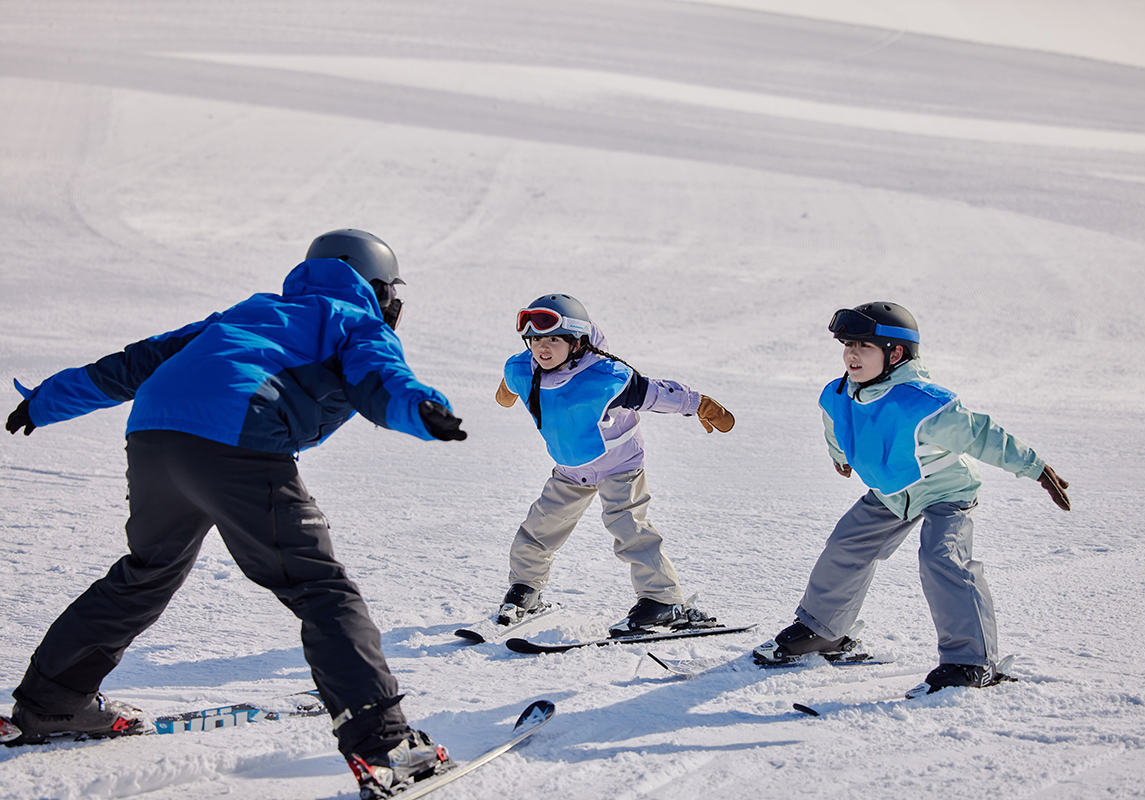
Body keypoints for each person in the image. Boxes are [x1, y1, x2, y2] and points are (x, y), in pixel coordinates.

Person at [2, 230, 466, 797]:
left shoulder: (255, 310)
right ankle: (385, 746)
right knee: (320, 588)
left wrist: (46, 401)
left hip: (154, 434)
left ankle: (52, 704)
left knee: (147, 571)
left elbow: (134, 363)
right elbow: (380, 378)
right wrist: (423, 411)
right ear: (379, 288)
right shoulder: (353, 319)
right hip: (236, 436)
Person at [754, 302, 1071, 694]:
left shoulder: (924, 404)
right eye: (848, 345)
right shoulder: (838, 394)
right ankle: (824, 630)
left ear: (896, 353)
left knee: (942, 558)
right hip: (890, 492)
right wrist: (839, 456)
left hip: (945, 492)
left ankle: (971, 661)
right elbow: (835, 426)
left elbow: (984, 436)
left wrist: (1035, 467)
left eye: (864, 346)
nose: (852, 354)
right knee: (845, 545)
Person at [494, 293, 736, 636]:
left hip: (620, 465)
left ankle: (662, 599)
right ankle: (525, 588)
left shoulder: (607, 378)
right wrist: (508, 388)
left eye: (552, 340)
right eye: (534, 341)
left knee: (629, 528)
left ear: (578, 343)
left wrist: (700, 404)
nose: (541, 348)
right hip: (571, 469)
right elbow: (511, 378)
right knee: (539, 526)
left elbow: (656, 393)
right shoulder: (524, 368)